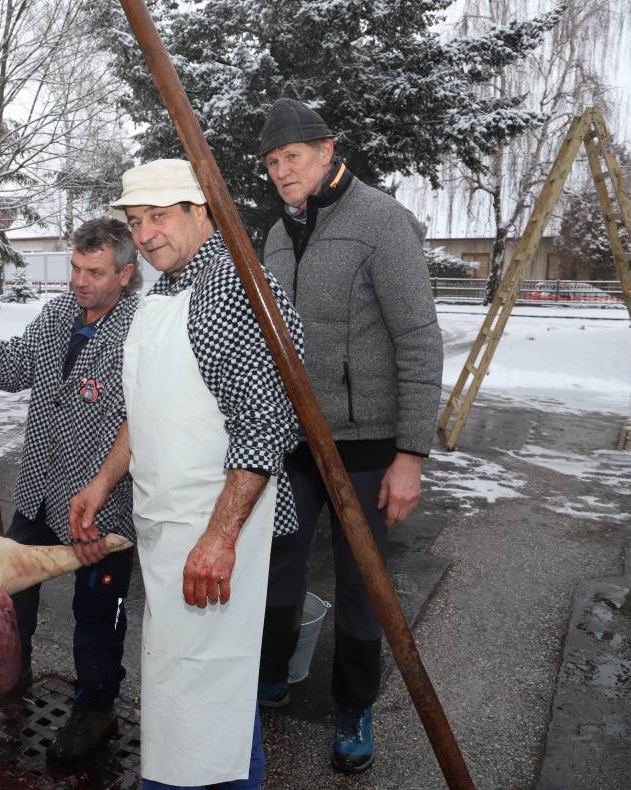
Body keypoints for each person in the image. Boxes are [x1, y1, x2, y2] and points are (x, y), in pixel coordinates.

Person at [70, 160, 304, 789]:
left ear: (201, 212)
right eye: (136, 220)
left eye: (160, 216)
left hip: (217, 528)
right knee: (201, 690)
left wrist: (220, 537)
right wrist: (102, 482)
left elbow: (265, 425)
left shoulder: (235, 288)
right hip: (170, 527)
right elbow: (146, 410)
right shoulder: (163, 292)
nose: (144, 235)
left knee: (203, 689)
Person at [254, 98, 443, 774]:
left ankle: (354, 706)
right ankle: (273, 670)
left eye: (293, 156)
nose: (282, 171)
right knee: (276, 562)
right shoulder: (279, 234)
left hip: (366, 444)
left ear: (328, 150)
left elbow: (419, 341)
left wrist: (410, 458)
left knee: (362, 580)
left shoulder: (380, 224)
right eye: (273, 162)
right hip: (295, 439)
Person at [0, 217, 140, 763]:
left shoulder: (141, 331)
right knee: (10, 591)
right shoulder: (58, 314)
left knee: (97, 612)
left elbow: (146, 427)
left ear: (126, 274)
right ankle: (9, 677)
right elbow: (16, 369)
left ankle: (95, 708)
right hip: (39, 491)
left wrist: (113, 517)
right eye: (75, 267)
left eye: (94, 272)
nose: (79, 281)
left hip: (101, 504)